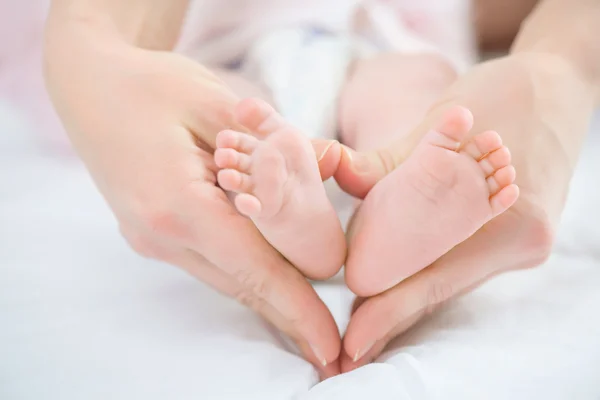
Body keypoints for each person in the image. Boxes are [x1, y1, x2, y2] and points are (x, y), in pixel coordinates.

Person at [44, 0, 599, 378]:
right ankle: (298, 213)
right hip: (221, 67)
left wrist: (567, 62)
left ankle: (394, 213)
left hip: (377, 50)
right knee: (237, 126)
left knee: (412, 99)